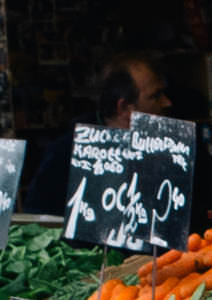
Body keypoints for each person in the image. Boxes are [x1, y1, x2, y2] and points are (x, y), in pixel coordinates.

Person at [21, 54, 174, 215]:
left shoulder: (176, 148)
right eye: (155, 96)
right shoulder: (66, 153)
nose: (167, 103)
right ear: (124, 108)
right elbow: (38, 217)